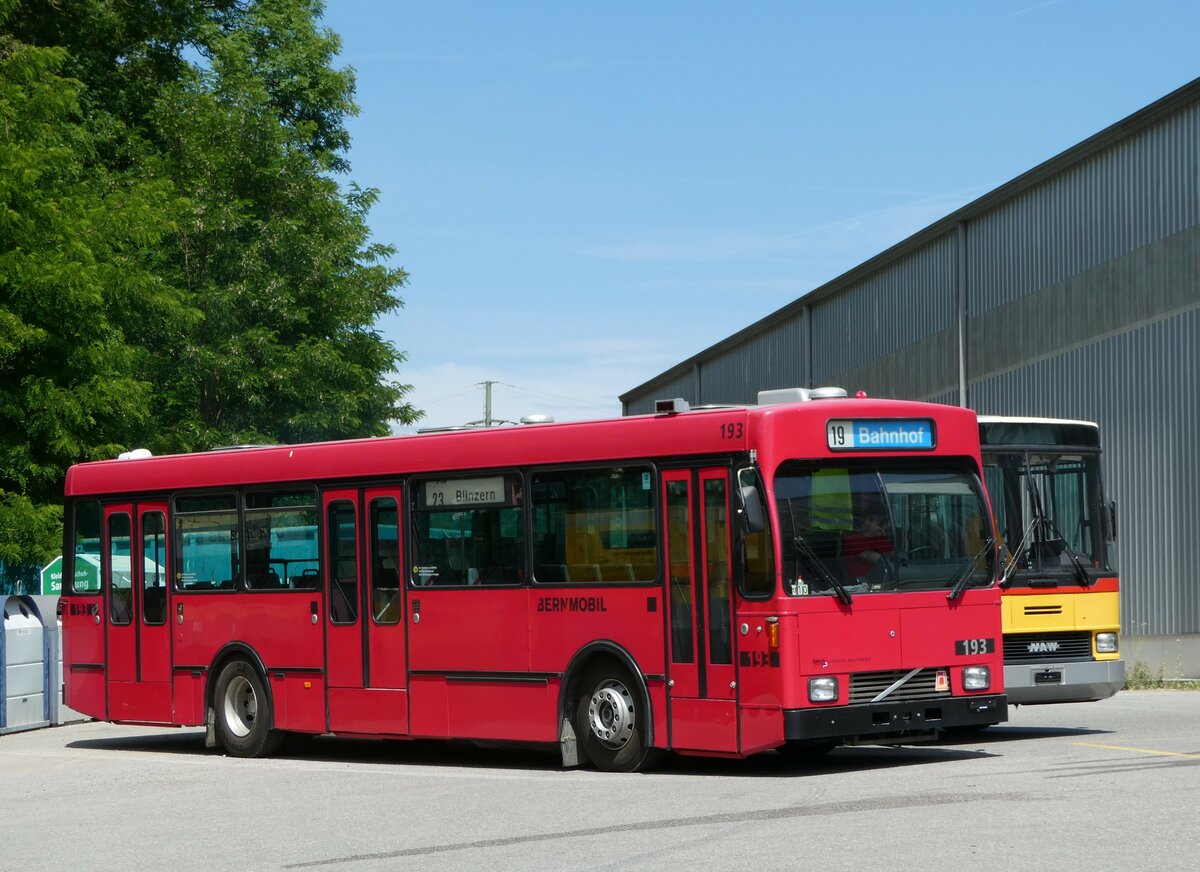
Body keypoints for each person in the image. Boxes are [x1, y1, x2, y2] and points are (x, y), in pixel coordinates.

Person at [842, 510, 893, 580]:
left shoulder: (881, 539)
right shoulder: (852, 540)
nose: (884, 528)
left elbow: (891, 558)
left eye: (886, 525)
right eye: (880, 524)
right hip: (860, 585)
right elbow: (879, 560)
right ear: (868, 520)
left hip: (882, 581)